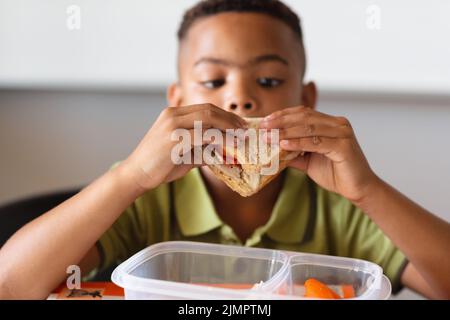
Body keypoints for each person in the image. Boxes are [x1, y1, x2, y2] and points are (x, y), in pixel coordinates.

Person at [1, 0, 449, 299]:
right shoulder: (146, 195)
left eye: (269, 81)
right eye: (214, 81)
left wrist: (367, 191)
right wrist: (130, 178)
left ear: (306, 100)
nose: (239, 100)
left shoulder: (340, 202)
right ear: (176, 101)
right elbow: (10, 286)